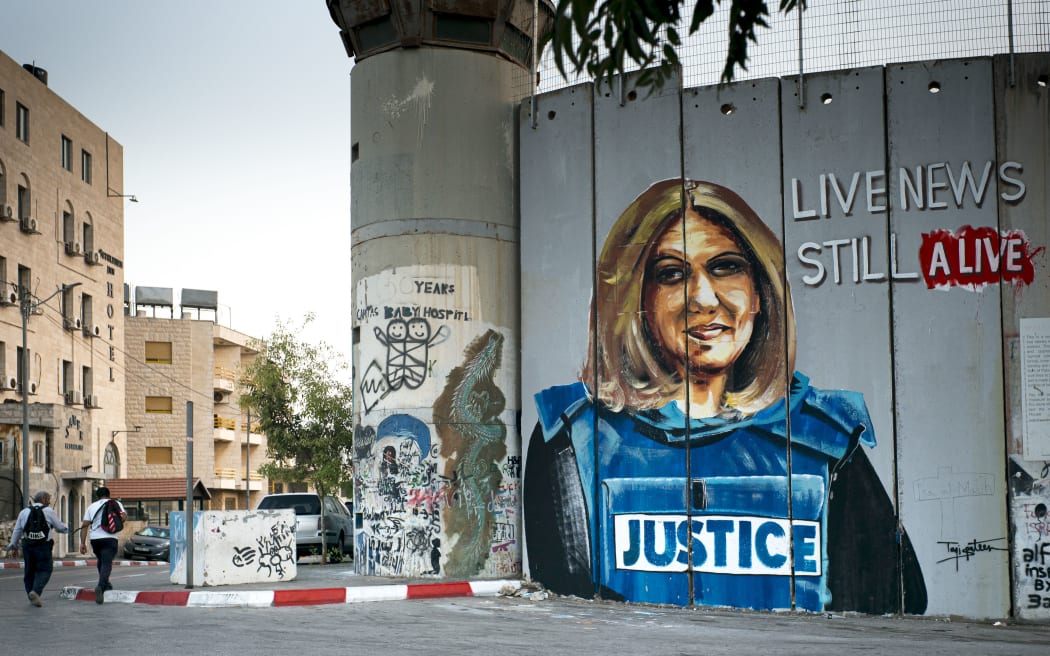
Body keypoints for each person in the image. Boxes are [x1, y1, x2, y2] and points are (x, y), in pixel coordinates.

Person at [524, 179, 927, 614]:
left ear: (760, 290)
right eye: (672, 274)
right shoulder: (574, 440)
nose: (703, 298)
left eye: (725, 267)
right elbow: (569, 612)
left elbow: (893, 602)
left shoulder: (824, 440)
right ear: (635, 300)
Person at [4, 490, 69, 607]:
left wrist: (12, 545)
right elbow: (59, 527)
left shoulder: (24, 512)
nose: (49, 501)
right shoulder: (49, 511)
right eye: (48, 499)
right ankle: (36, 592)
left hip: (28, 546)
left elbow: (18, 530)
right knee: (45, 569)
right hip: (43, 547)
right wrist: (66, 529)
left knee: (29, 571)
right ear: (43, 499)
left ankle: (30, 594)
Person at [80, 486, 127, 604]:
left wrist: (82, 543)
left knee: (101, 560)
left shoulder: (91, 506)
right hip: (110, 538)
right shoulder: (115, 503)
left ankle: (106, 583)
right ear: (108, 494)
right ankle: (100, 587)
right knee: (106, 563)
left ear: (98, 496)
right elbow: (124, 517)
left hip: (95, 539)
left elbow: (85, 525)